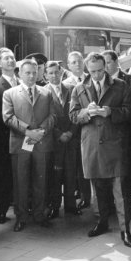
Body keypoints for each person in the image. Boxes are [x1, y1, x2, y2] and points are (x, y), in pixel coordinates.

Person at [69, 52, 131, 248]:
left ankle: (125, 231)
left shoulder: (121, 85)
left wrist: (111, 112)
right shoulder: (79, 89)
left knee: (120, 191)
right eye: (92, 71)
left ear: (105, 67)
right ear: (86, 70)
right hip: (92, 145)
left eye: (100, 70)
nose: (97, 75)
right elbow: (73, 116)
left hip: (115, 145)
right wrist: (86, 113)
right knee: (98, 190)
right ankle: (102, 222)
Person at [3, 59, 56, 232]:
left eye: (34, 72)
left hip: (41, 142)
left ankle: (40, 215)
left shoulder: (46, 93)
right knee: (21, 182)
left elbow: (53, 116)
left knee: (41, 181)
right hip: (21, 143)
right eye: (27, 72)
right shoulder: (10, 93)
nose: (32, 76)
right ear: (19, 74)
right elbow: (8, 117)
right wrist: (28, 132)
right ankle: (21, 217)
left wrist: (41, 131)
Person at [101, 50, 131, 212]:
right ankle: (110, 207)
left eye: (108, 63)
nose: (105, 67)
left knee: (125, 172)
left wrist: (113, 112)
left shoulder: (130, 81)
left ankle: (125, 205)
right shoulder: (99, 80)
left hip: (125, 134)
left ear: (117, 62)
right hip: (105, 135)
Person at [44, 61, 82, 217]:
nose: (54, 76)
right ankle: (55, 206)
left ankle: (71, 206)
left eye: (57, 72)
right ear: (45, 75)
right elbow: (45, 118)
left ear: (62, 73)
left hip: (71, 138)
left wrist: (71, 133)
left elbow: (76, 113)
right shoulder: (42, 92)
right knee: (55, 175)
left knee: (71, 173)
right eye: (51, 73)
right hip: (54, 140)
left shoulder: (71, 89)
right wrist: (59, 134)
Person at [0, 48, 20, 225]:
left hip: (24, 138)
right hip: (5, 141)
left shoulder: (22, 82)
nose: (10, 61)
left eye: (12, 58)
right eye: (6, 58)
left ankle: (23, 206)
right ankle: (2, 210)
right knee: (4, 177)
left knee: (22, 173)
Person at [62, 51, 91, 209]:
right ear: (68, 65)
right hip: (74, 131)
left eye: (79, 61)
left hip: (90, 128)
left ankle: (88, 198)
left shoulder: (91, 79)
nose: (77, 64)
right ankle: (78, 197)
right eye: (73, 62)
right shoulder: (65, 84)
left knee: (87, 166)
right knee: (76, 168)